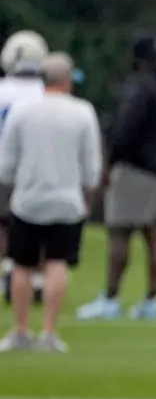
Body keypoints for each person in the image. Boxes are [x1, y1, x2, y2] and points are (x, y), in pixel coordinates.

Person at [76, 34, 156, 321]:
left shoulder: (141, 88)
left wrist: (111, 163)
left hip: (138, 167)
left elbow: (126, 130)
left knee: (120, 232)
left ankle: (111, 298)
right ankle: (152, 300)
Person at [0, 52, 101, 352]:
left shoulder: (22, 112)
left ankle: (19, 330)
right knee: (57, 262)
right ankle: (48, 331)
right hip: (66, 199)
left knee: (22, 264)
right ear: (66, 80)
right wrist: (87, 195)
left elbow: (6, 164)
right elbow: (91, 167)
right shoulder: (82, 112)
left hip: (27, 199)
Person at [0, 30, 49, 303]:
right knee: (38, 226)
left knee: (4, 223)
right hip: (34, 169)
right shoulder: (44, 94)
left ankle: (9, 268)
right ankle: (38, 279)